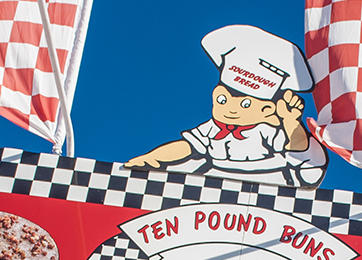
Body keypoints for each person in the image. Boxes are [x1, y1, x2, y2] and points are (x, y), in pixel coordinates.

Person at [127, 25, 329, 188]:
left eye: (245, 104)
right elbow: (188, 147)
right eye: (223, 100)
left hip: (269, 187)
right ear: (215, 96)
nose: (231, 109)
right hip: (213, 185)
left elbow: (298, 153)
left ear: (267, 110)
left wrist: (290, 122)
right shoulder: (211, 129)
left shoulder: (268, 131)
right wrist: (152, 159)